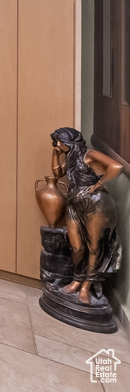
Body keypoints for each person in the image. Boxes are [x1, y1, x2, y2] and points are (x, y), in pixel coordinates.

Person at [50, 127, 124, 305]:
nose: (58, 145)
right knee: (76, 246)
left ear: (70, 142)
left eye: (60, 142)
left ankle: (85, 286)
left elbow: (117, 167)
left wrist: (99, 183)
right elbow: (57, 173)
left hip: (95, 204)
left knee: (94, 247)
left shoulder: (89, 155)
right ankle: (76, 279)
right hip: (74, 205)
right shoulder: (71, 156)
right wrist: (55, 153)